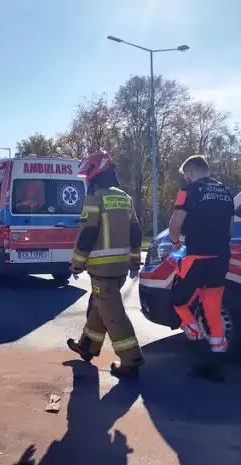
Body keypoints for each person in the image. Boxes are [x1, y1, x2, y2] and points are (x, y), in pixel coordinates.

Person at [66, 152, 144, 379]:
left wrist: (76, 264)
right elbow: (136, 232)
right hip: (119, 268)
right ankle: (87, 346)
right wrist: (134, 260)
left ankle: (132, 359)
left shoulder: (94, 198)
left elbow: (88, 233)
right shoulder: (125, 198)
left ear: (94, 174)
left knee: (113, 313)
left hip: (102, 269)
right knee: (102, 305)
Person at [169, 155, 235, 383]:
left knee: (177, 301)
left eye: (186, 174)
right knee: (212, 307)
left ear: (190, 173)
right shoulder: (226, 192)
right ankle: (216, 358)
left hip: (196, 258)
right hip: (221, 258)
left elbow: (175, 223)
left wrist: (176, 245)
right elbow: (230, 228)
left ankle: (195, 335)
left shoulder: (189, 191)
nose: (186, 178)